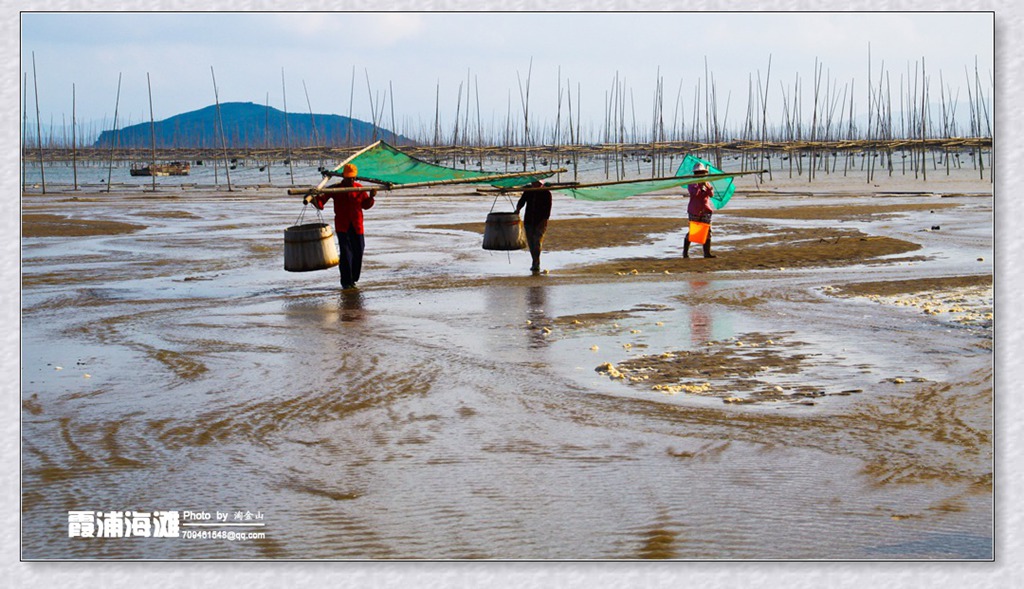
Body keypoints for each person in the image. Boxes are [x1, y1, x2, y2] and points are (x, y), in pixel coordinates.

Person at [304, 163, 377, 289]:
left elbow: (365, 205)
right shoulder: (336, 188)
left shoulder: (359, 188)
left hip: (357, 225)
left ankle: (353, 278)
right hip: (342, 226)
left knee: (359, 250)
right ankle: (346, 282)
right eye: (349, 177)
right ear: (344, 176)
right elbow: (321, 203)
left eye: (353, 177)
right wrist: (313, 198)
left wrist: (371, 197)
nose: (351, 180)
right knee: (346, 254)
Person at [514, 179, 553, 274]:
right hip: (528, 220)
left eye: (537, 183)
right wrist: (518, 209)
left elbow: (548, 209)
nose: (534, 184)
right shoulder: (529, 192)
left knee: (537, 242)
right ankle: (535, 262)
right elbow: (522, 201)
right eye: (533, 183)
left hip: (540, 221)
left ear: (541, 184)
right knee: (531, 243)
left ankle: (536, 263)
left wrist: (544, 221)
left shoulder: (546, 193)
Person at [683, 162, 716, 259]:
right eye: (698, 173)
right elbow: (695, 194)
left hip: (706, 209)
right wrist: (699, 186)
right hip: (694, 210)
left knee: (707, 231)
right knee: (693, 231)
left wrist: (707, 186)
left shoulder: (707, 183)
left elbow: (711, 194)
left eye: (702, 172)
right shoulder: (691, 183)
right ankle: (685, 253)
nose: (700, 174)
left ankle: (707, 253)